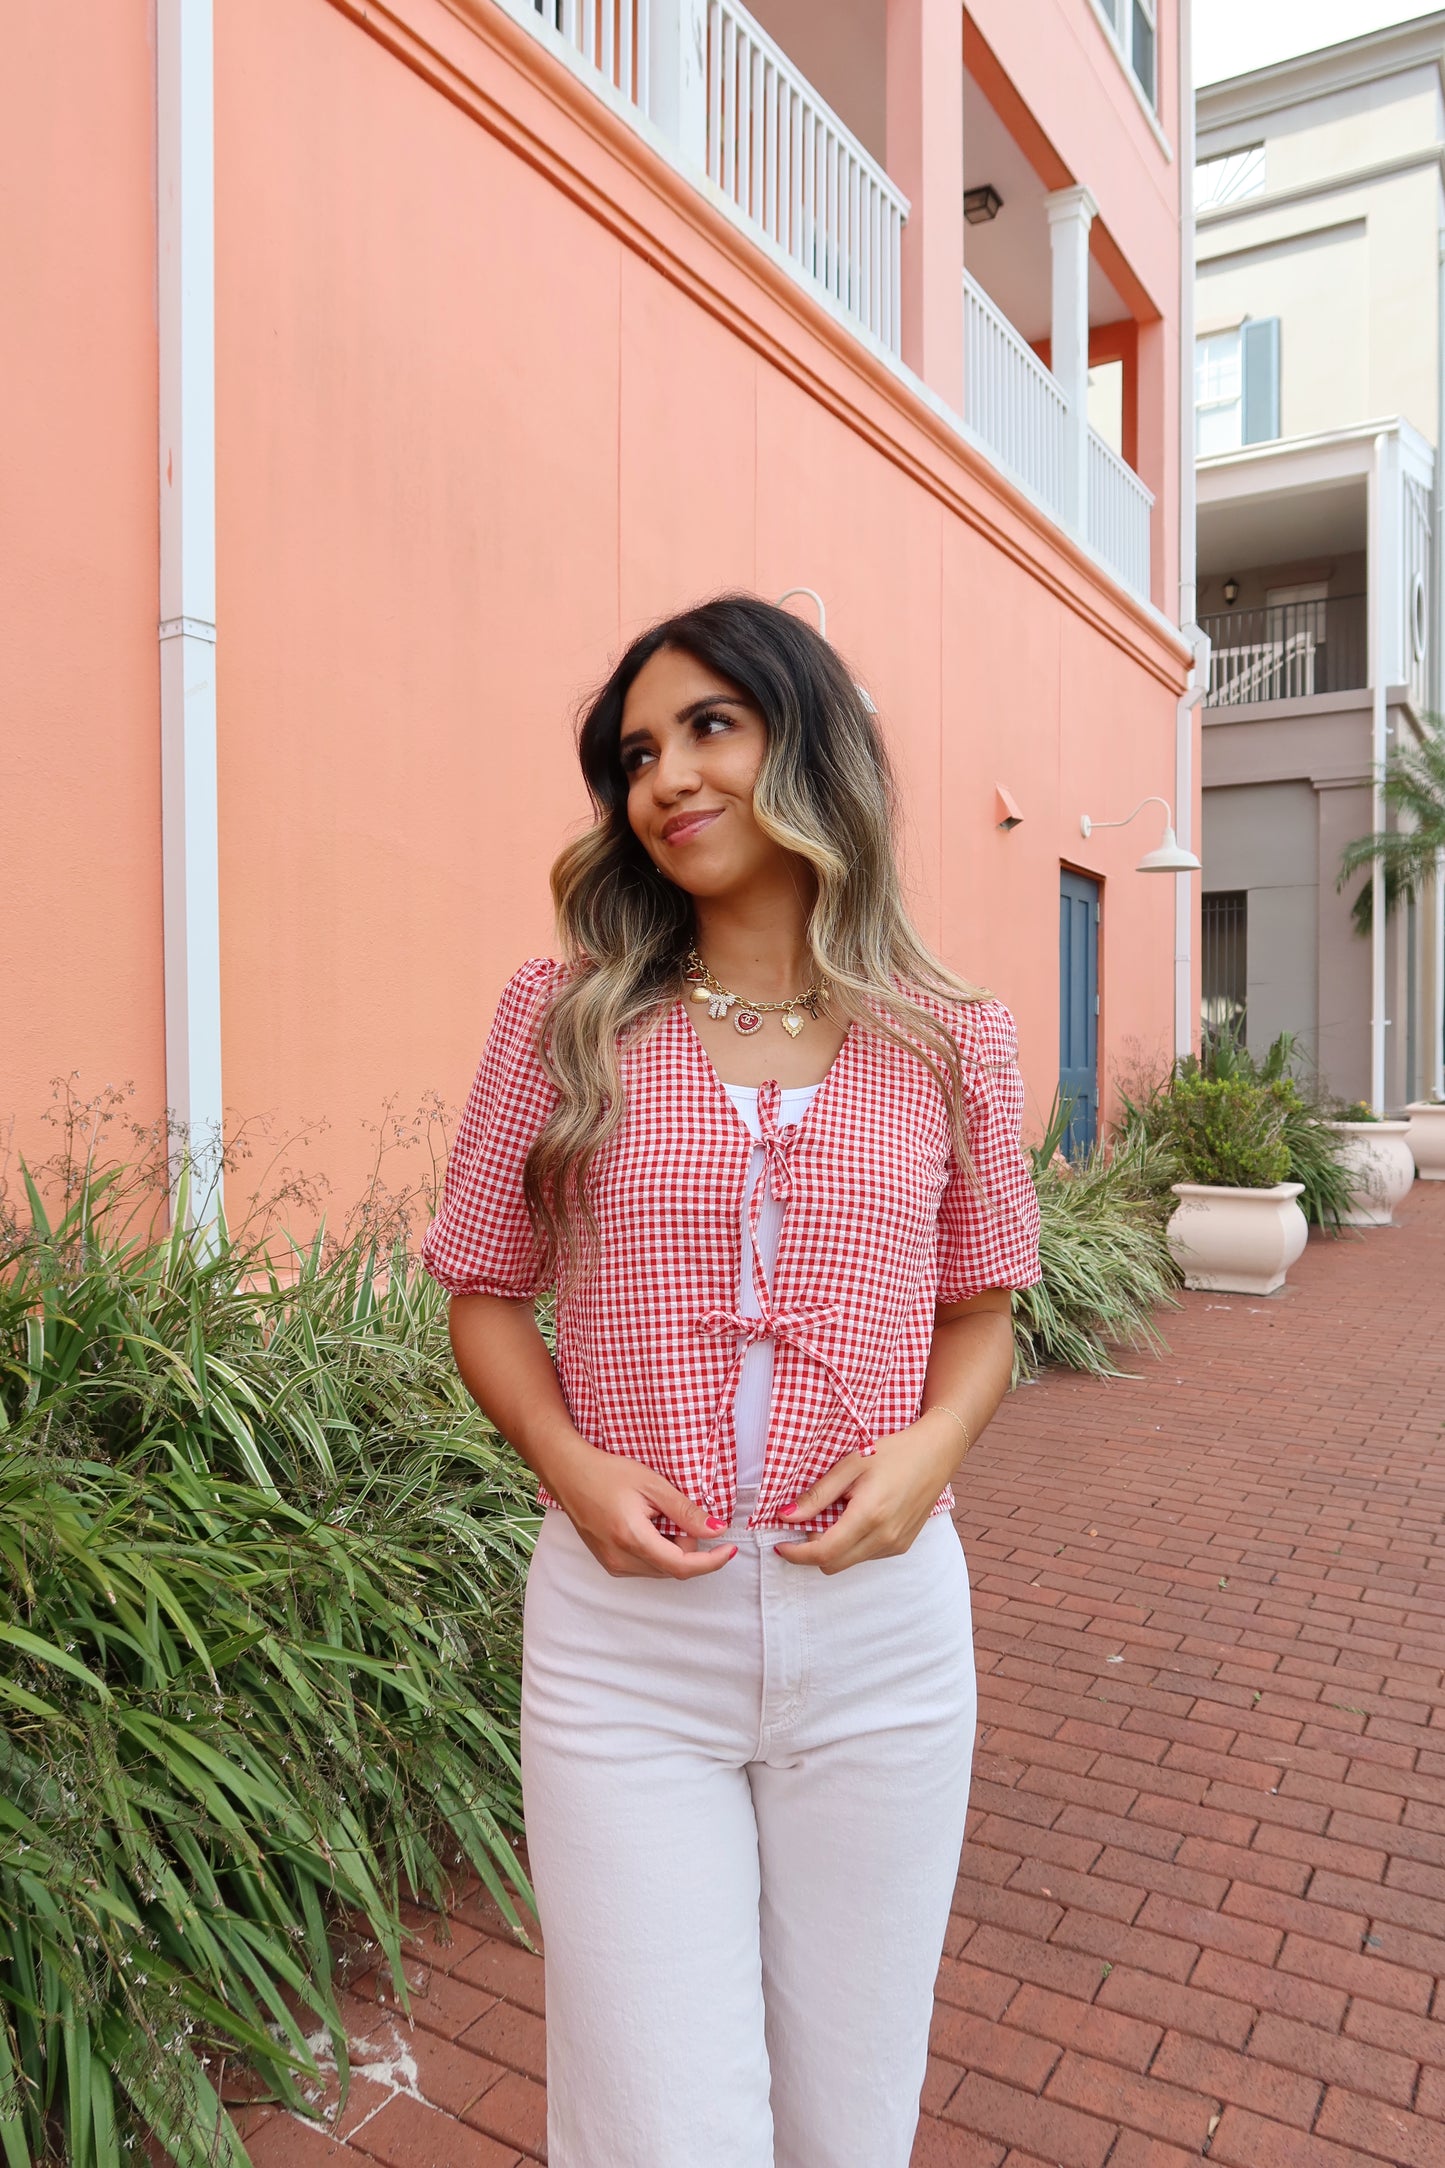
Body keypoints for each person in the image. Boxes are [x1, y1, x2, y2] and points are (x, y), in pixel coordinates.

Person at [422, 594, 1042, 2168]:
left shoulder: (951, 1034)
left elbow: (983, 1304)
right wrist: (571, 1464)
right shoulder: (561, 1017)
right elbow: (481, 1287)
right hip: (627, 1650)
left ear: (806, 742)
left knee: (851, 2106)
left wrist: (925, 1455)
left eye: (711, 726)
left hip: (886, 1642)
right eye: (637, 751)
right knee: (659, 2123)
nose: (666, 779)